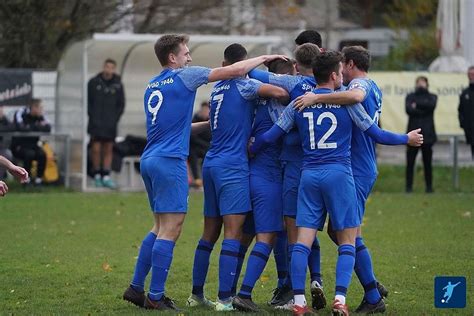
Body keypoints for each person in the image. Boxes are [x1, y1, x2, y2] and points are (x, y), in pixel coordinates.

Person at [122, 34, 287, 311]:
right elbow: (236, 71)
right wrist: (264, 59)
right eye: (185, 53)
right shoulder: (187, 75)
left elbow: (177, 127)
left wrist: (208, 124)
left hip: (151, 158)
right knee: (173, 229)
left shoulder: (153, 85)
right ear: (172, 57)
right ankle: (157, 295)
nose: (190, 58)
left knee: (160, 226)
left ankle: (136, 288)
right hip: (174, 161)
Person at [253, 51, 422, 315]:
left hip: (309, 176)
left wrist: (251, 148)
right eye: (341, 73)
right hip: (340, 174)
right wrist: (406, 138)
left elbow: (270, 136)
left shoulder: (299, 103)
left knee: (301, 242)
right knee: (347, 240)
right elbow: (376, 133)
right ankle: (340, 300)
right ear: (334, 75)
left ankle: (299, 303)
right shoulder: (347, 102)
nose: (343, 76)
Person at [187, 43, 289, 312]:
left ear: (225, 63)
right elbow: (279, 91)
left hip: (211, 163)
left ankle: (196, 294)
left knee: (209, 233)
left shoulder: (217, 89)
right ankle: (224, 299)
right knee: (234, 232)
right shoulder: (244, 85)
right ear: (244, 66)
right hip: (232, 166)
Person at [249, 42, 324, 310]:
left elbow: (275, 132)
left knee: (293, 234)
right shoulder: (335, 90)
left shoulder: (294, 86)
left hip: (294, 167)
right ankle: (322, 282)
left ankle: (296, 295)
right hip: (327, 168)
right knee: (324, 233)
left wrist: (253, 146)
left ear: (295, 65)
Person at [87, 58, 125, 189]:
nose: (108, 69)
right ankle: (97, 174)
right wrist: (93, 117)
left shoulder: (118, 85)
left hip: (110, 124)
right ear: (103, 67)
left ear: (114, 69)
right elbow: (89, 103)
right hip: (96, 123)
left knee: (108, 148)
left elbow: (121, 105)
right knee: (96, 149)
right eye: (107, 66)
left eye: (111, 67)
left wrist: (114, 119)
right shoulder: (93, 82)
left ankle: (106, 176)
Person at [405, 76, 437, 193]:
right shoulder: (410, 97)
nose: (420, 85)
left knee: (427, 163)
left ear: (427, 84)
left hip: (427, 136)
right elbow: (408, 109)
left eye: (422, 83)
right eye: (418, 83)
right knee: (410, 163)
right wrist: (423, 106)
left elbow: (431, 106)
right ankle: (408, 188)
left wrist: (416, 105)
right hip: (412, 136)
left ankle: (429, 187)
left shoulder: (432, 96)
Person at [11, 99, 51, 186]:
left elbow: (48, 128)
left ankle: (38, 180)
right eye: (40, 108)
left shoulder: (41, 116)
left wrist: (32, 127)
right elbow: (21, 127)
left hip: (33, 145)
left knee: (42, 154)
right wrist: (37, 126)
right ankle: (26, 180)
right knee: (29, 154)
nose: (41, 110)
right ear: (33, 107)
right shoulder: (21, 113)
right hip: (19, 145)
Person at [189, 101, 211, 188]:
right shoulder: (194, 120)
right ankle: (197, 179)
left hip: (207, 147)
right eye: (203, 110)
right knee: (192, 155)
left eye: (207, 110)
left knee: (208, 156)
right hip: (196, 147)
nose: (205, 112)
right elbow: (192, 138)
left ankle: (207, 179)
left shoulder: (212, 121)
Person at [458, 66, 474, 159]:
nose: (471, 76)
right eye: (470, 74)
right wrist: (463, 124)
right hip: (471, 134)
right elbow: (460, 110)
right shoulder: (465, 93)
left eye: (473, 74)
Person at [0, 106, 15, 179]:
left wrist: (11, 166)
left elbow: (12, 127)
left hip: (2, 148)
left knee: (7, 154)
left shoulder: (5, 120)